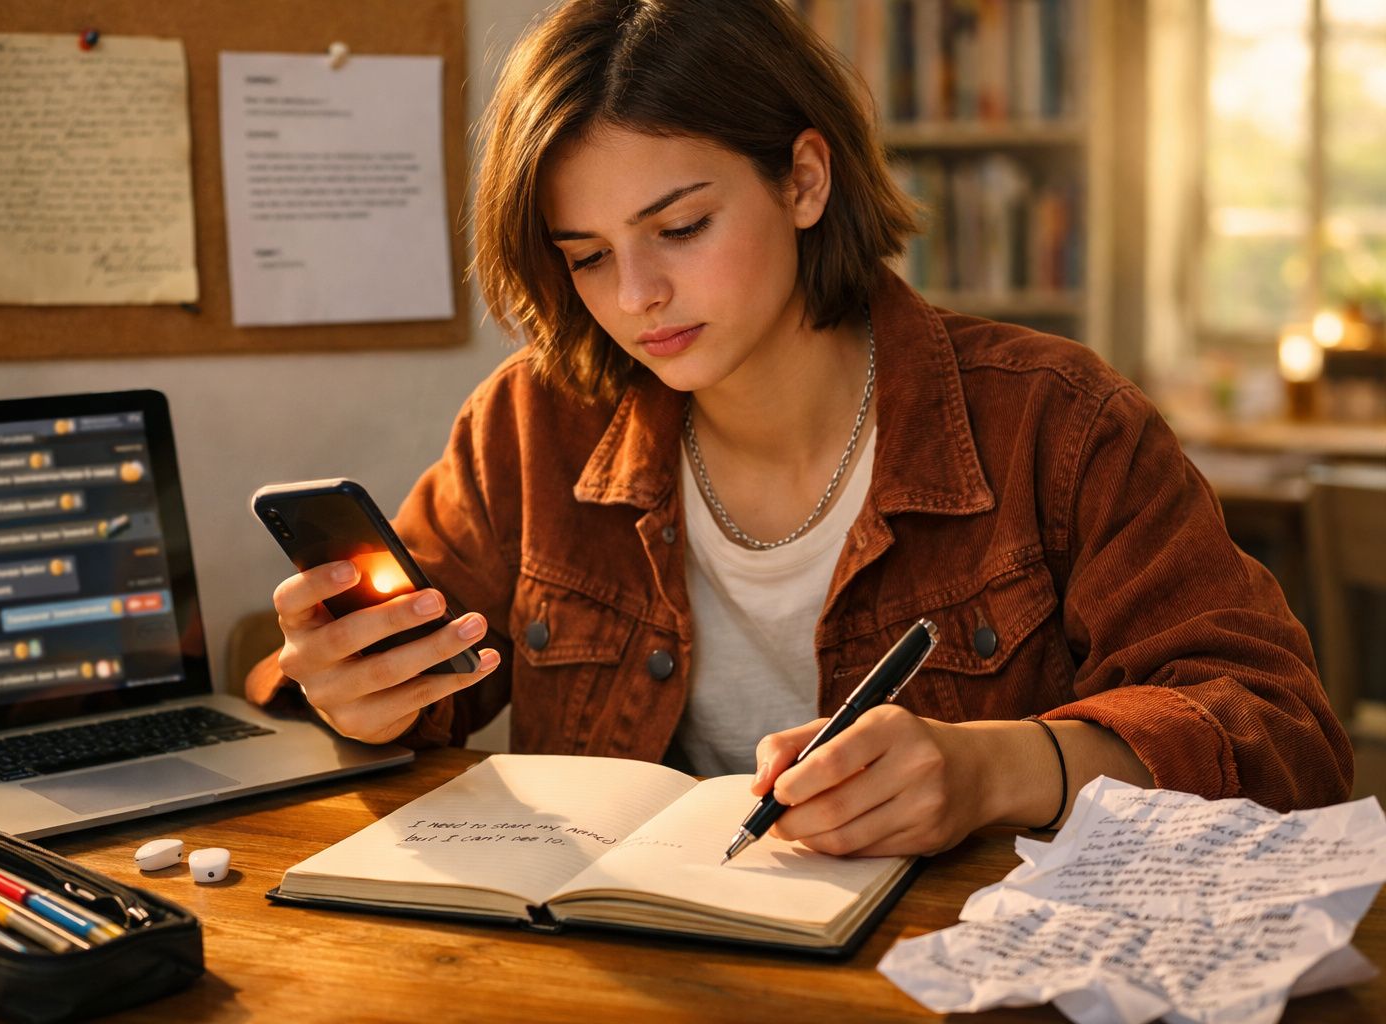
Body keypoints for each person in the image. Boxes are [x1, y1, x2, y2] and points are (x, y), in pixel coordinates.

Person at [246, 0, 1351, 858]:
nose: (636, 296)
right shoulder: (537, 423)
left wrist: (996, 770)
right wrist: (348, 691)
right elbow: (381, 691)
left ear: (805, 180)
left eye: (679, 226)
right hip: (628, 968)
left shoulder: (1056, 424)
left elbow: (1284, 735)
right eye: (585, 255)